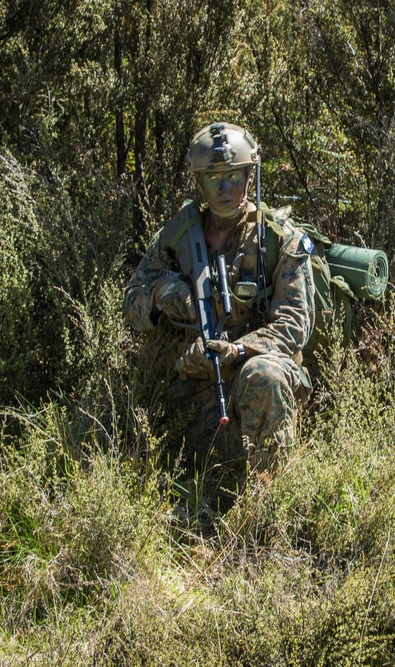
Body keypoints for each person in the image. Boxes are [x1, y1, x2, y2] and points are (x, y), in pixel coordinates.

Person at [123, 122, 315, 495]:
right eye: (214, 178)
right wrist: (163, 294)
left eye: (233, 176)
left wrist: (239, 350)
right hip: (192, 381)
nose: (226, 189)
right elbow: (130, 305)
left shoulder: (280, 239)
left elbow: (295, 323)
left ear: (249, 175)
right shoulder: (177, 237)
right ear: (199, 183)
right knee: (174, 471)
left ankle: (269, 501)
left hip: (252, 383)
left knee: (266, 375)